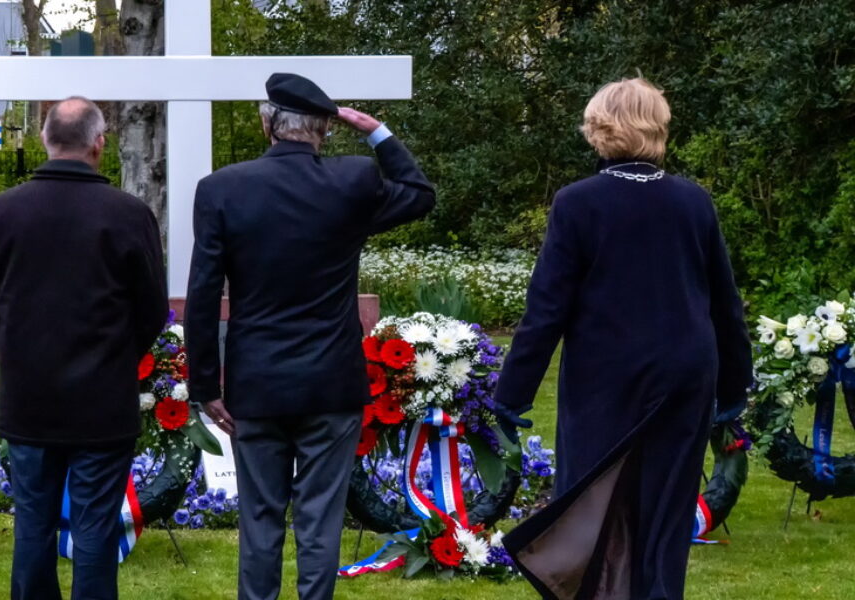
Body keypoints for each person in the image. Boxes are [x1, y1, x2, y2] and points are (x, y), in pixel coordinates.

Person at [493, 78, 752, 599]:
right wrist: (734, 386)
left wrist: (512, 393)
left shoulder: (578, 203)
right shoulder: (693, 201)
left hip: (605, 380)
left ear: (598, 128)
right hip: (686, 374)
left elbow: (547, 309)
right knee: (667, 508)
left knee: (592, 501)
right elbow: (724, 302)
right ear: (658, 127)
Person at [185, 73, 435, 600]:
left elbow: (204, 296)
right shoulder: (352, 182)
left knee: (260, 519)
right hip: (330, 382)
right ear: (324, 127)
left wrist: (206, 385)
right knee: (320, 521)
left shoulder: (221, 189)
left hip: (256, 383)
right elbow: (417, 194)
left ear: (267, 123)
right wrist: (376, 132)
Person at [0, 97, 168, 600]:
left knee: (32, 526)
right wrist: (117, 361)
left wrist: (19, 356)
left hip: (29, 398)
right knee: (95, 530)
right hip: (102, 402)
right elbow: (151, 310)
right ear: (99, 143)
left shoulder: (1, 211)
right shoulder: (129, 215)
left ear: (45, 139)